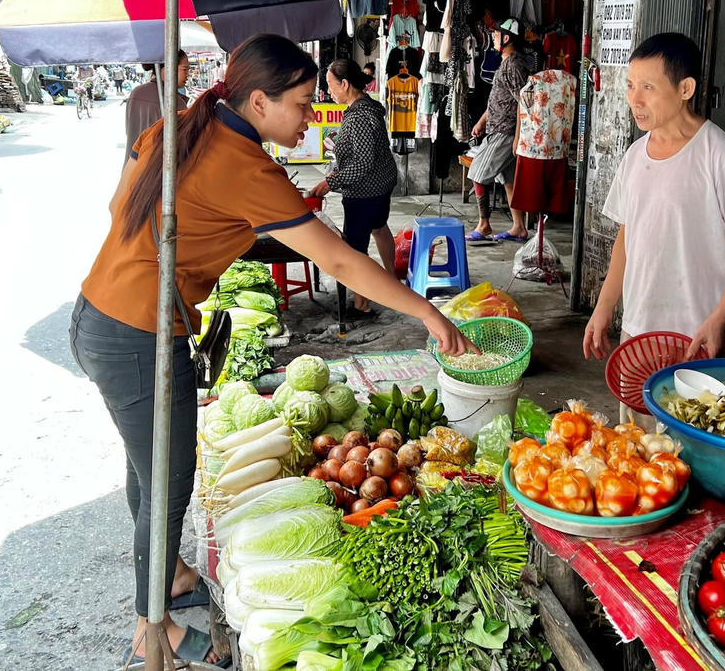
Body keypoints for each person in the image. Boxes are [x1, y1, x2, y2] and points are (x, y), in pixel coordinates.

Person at [69, 35, 473, 666]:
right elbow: (339, 256)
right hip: (139, 334)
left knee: (147, 468)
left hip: (100, 312)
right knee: (170, 481)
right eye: (304, 102)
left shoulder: (181, 127)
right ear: (259, 100)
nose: (313, 115)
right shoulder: (243, 163)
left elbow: (117, 203)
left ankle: (170, 575)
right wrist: (425, 310)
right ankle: (154, 631)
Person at [582, 32, 725, 361]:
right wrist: (604, 306)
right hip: (640, 332)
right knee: (632, 416)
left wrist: (719, 320)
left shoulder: (723, 157)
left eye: (648, 87)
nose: (635, 99)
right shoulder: (635, 157)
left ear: (685, 89)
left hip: (705, 337)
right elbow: (627, 237)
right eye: (630, 85)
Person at [308, 59, 398, 318]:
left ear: (345, 84)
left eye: (331, 85)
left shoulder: (359, 116)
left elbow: (362, 163)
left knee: (356, 248)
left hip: (365, 190)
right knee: (379, 227)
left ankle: (362, 303)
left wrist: (330, 182)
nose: (328, 91)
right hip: (382, 183)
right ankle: (391, 279)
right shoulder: (368, 106)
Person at [467, 18, 529, 242]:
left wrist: (518, 138)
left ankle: (484, 224)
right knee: (508, 181)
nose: (492, 37)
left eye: (495, 34)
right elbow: (500, 99)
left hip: (505, 131)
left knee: (477, 174)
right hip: (498, 128)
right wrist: (483, 120)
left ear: (506, 38)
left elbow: (523, 101)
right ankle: (519, 227)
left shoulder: (514, 65)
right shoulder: (506, 62)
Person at [124, 50, 189, 158]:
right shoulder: (173, 101)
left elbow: (129, 131)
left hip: (131, 168)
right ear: (169, 68)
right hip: (157, 172)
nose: (188, 75)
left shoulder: (136, 92)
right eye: (185, 69)